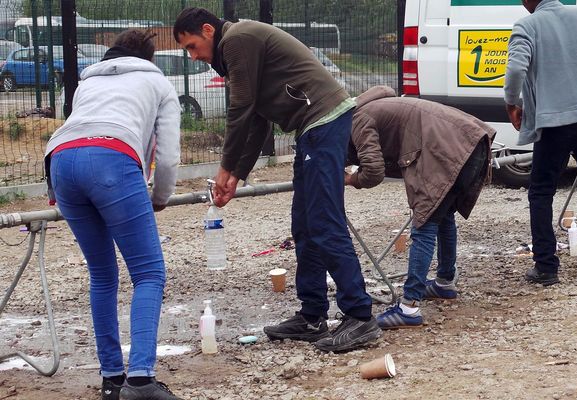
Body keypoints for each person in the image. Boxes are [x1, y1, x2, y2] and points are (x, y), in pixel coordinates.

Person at [173, 8, 381, 352]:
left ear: (208, 30)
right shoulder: (234, 48)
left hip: (324, 121)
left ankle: (360, 316)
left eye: (193, 47)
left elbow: (240, 108)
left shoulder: (237, 39)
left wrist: (224, 168)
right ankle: (313, 316)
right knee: (303, 224)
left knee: (324, 222)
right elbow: (255, 120)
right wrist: (236, 174)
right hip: (313, 127)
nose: (194, 57)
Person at [44, 29, 182, 400]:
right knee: (149, 273)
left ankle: (112, 380)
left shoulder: (87, 84)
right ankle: (140, 380)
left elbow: (80, 129)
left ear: (111, 54)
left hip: (60, 161)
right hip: (111, 160)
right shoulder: (158, 85)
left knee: (103, 275)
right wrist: (160, 197)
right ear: (149, 58)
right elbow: (167, 156)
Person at [345, 86, 495, 329]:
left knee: (423, 224)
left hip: (448, 149)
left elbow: (373, 171)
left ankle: (409, 307)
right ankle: (445, 282)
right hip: (470, 140)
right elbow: (385, 89)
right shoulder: (369, 105)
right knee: (443, 215)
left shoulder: (358, 120)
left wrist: (350, 179)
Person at [504, 0, 577, 285]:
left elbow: (516, 70)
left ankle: (546, 266)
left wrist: (512, 102)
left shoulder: (528, 25)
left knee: (542, 191)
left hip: (553, 121)